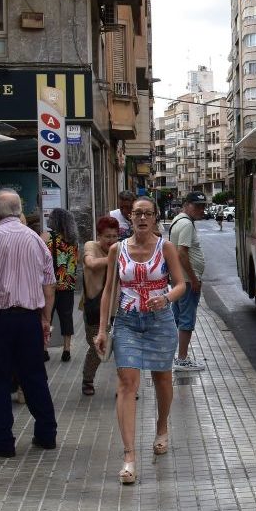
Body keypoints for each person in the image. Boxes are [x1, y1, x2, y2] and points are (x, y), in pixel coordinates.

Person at [94, 196, 188, 484]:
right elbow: (109, 290)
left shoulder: (165, 247)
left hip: (160, 323)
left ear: (155, 217)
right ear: (130, 218)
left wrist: (166, 298)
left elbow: (181, 284)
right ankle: (129, 457)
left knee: (162, 379)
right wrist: (102, 330)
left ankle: (162, 427)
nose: (143, 218)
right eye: (138, 213)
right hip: (127, 322)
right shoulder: (117, 249)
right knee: (126, 383)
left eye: (148, 213)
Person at [0, 189, 58, 458]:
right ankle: (46, 434)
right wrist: (45, 319)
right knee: (35, 376)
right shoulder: (36, 240)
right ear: (19, 210)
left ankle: (3, 441)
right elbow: (49, 285)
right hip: (29, 319)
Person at [80, 215, 120, 396]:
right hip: (94, 308)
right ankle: (87, 379)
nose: (111, 240)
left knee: (122, 349)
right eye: (107, 236)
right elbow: (91, 263)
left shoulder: (121, 248)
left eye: (114, 236)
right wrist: (114, 257)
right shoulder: (91, 246)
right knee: (97, 347)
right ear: (99, 236)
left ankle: (126, 386)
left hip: (117, 307)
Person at [168, 192, 207, 371]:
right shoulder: (186, 224)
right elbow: (182, 253)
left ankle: (172, 355)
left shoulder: (178, 220)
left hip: (180, 280)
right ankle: (182, 359)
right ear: (186, 204)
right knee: (186, 320)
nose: (201, 209)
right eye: (197, 206)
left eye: (203, 206)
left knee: (176, 318)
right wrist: (193, 279)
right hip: (187, 281)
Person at [42, 208, 79, 362]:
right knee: (66, 317)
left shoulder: (46, 237)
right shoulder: (72, 239)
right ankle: (67, 349)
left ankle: (44, 349)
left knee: (46, 317)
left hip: (48, 285)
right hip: (67, 284)